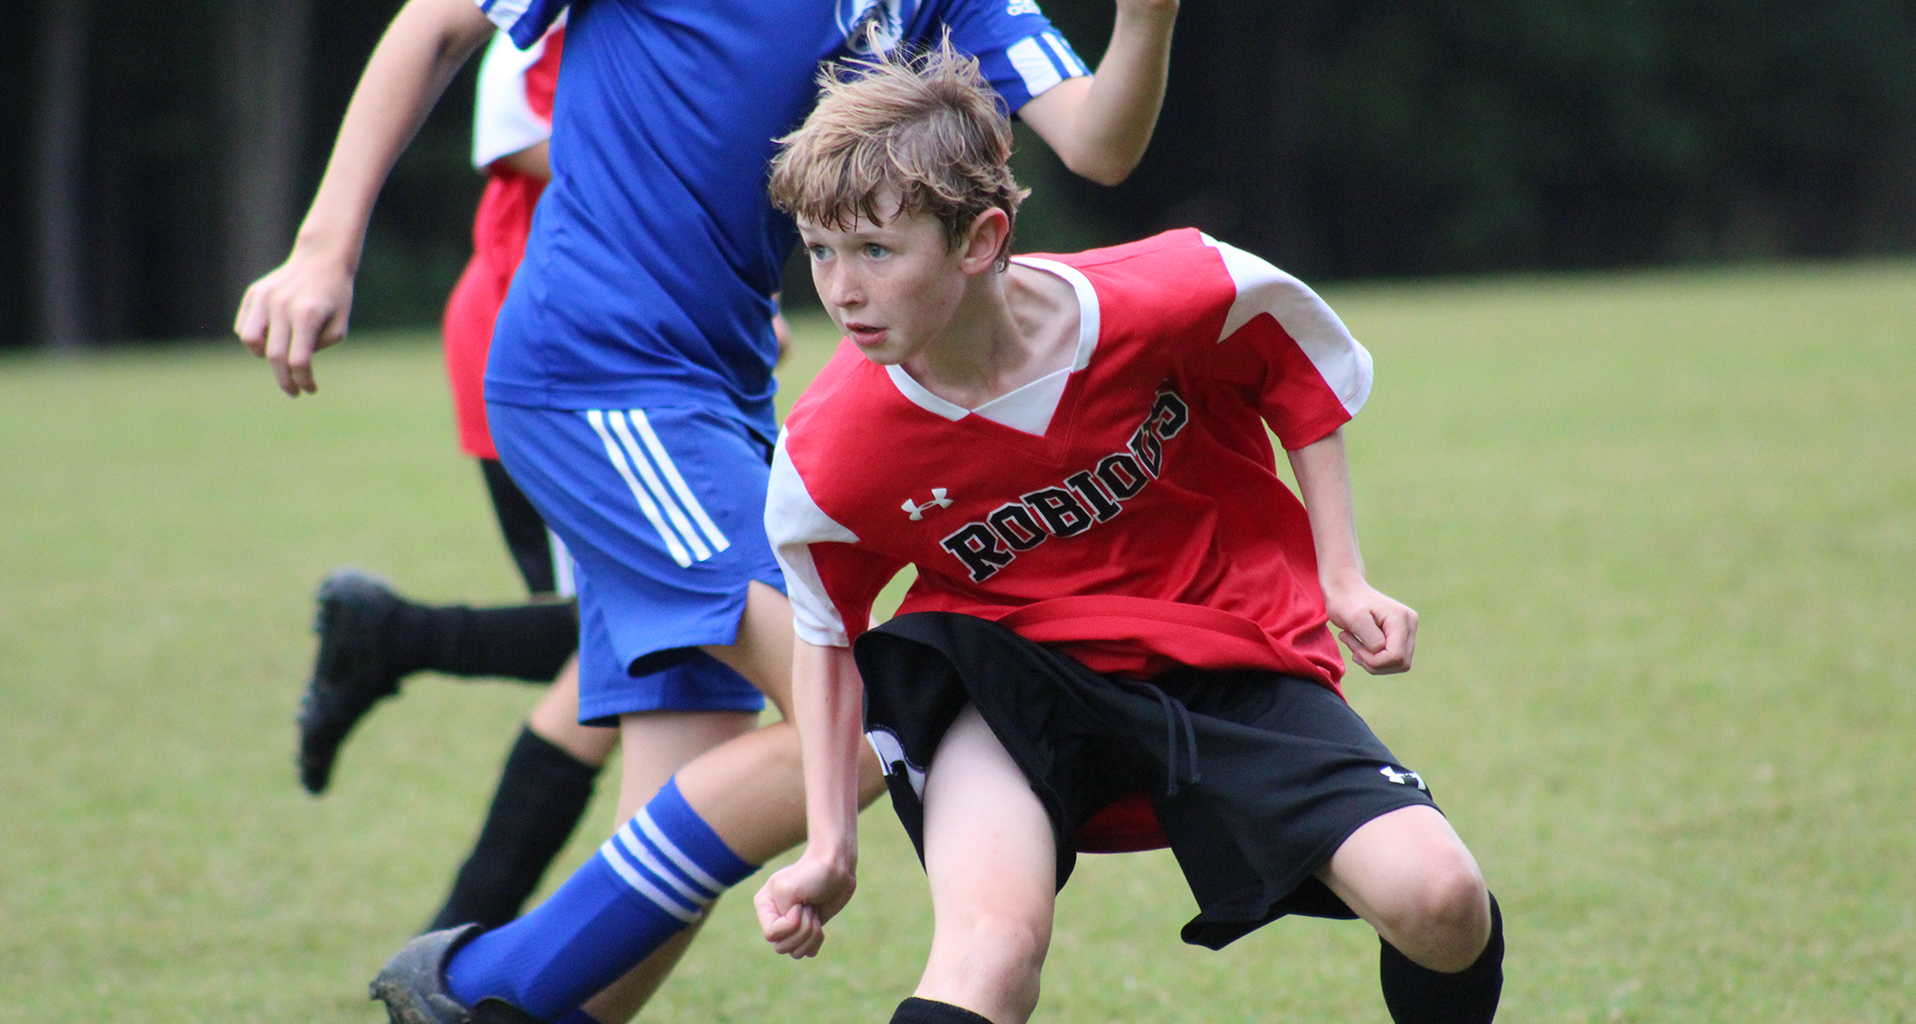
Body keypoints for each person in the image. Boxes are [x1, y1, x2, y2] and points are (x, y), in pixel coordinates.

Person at [234, 0, 1179, 1021]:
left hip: (718, 395)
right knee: (860, 712)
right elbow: (432, 23)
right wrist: (325, 247)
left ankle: (520, 1003)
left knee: (678, 807)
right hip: (598, 374)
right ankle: (470, 986)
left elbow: (1098, 140)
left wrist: (1147, 19)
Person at [752, 47, 1504, 1024]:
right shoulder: (830, 448)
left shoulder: (1164, 295)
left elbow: (1299, 362)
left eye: (874, 252)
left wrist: (1342, 575)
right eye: (817, 250)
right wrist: (827, 844)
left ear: (980, 238)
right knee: (989, 951)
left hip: (1218, 640)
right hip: (1007, 682)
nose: (838, 289)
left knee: (1439, 900)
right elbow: (825, 629)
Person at [292, 21, 630, 937]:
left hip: (642, 345)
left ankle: (393, 638)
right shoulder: (545, 17)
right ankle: (456, 953)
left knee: (642, 649)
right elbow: (510, 132)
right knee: (635, 654)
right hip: (553, 344)